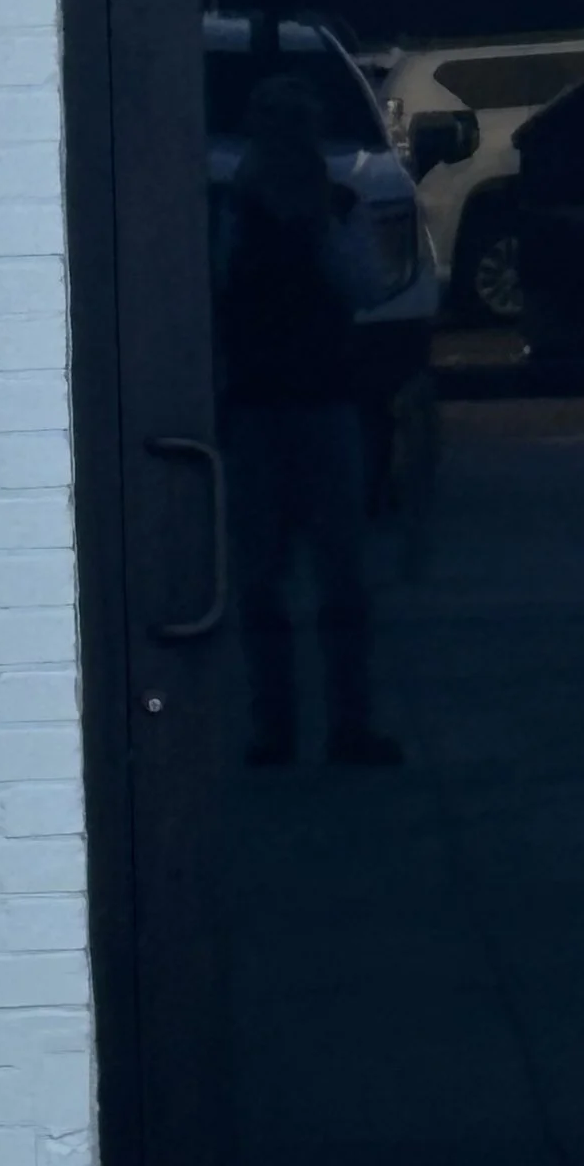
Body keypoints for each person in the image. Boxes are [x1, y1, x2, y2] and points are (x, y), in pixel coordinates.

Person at [213, 73, 401, 769]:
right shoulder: (236, 209)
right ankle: (287, 728)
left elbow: (365, 286)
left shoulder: (330, 208)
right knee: (274, 580)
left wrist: (317, 223)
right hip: (275, 406)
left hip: (311, 404)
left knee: (332, 577)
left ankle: (330, 725)